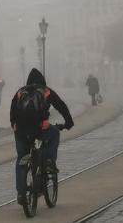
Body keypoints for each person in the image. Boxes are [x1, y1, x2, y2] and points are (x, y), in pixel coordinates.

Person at [11, 68, 74, 206]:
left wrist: (14, 125)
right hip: (40, 128)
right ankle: (48, 163)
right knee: (54, 133)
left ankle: (21, 193)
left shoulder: (20, 91)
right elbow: (61, 106)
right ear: (42, 81)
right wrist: (68, 122)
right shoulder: (46, 91)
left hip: (20, 130)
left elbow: (13, 109)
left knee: (22, 157)